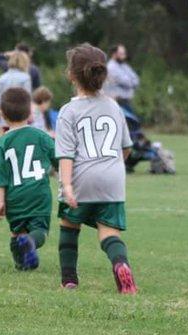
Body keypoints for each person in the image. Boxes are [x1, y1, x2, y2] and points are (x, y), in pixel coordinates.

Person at [55, 44, 137, 294]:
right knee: (109, 232)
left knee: (69, 225)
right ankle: (121, 264)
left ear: (71, 75)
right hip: (113, 178)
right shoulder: (114, 107)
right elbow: (126, 148)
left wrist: (67, 186)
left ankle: (69, 280)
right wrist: (112, 166)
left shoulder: (68, 111)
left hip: (81, 178)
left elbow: (66, 154)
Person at [0, 88, 56, 271]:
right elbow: (59, 159)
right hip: (39, 194)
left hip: (15, 196)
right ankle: (29, 244)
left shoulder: (1, 143)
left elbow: (0, 176)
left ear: (2, 114)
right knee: (39, 231)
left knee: (17, 232)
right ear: (30, 112)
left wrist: (0, 202)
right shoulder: (42, 137)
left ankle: (22, 261)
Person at [0, 51, 31, 134]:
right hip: (21, 119)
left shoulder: (2, 78)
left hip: (5, 117)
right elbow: (27, 99)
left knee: (4, 142)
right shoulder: (25, 78)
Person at [102, 44, 139, 114]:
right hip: (118, 102)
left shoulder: (124, 66)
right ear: (114, 54)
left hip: (126, 102)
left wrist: (130, 82)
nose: (124, 56)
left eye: (124, 53)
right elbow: (126, 82)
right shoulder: (111, 67)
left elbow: (136, 80)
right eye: (121, 54)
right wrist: (131, 82)